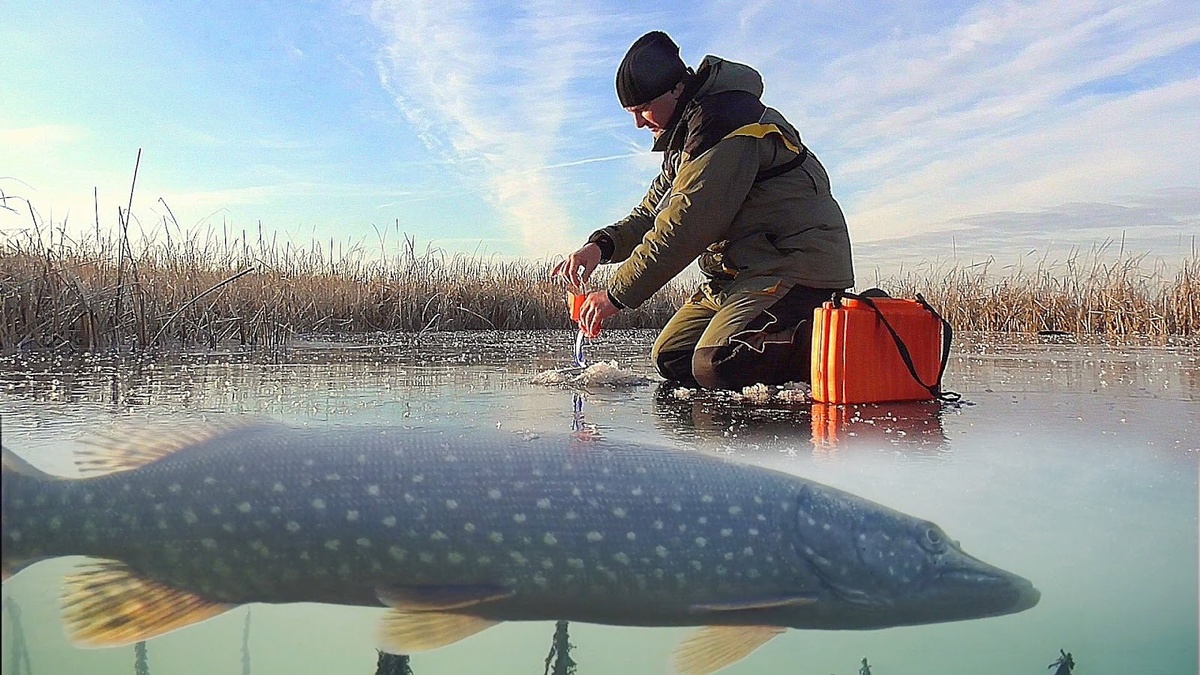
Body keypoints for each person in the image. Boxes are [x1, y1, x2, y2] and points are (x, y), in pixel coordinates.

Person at [553, 31, 854, 390]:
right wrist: (600, 247)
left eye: (642, 108)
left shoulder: (726, 125)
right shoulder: (688, 140)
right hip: (741, 275)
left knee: (717, 363)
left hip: (795, 267)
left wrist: (616, 295)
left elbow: (684, 227)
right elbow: (652, 211)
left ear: (676, 89)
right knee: (672, 357)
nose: (637, 123)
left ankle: (833, 336)